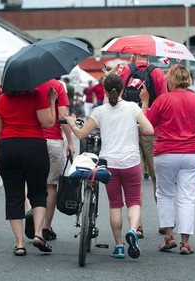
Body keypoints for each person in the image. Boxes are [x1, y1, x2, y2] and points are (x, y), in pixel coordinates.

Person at [64, 73, 154, 259]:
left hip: (109, 164)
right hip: (131, 162)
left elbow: (81, 135)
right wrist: (138, 117)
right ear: (122, 90)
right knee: (134, 202)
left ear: (104, 91)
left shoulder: (100, 111)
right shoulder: (131, 107)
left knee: (115, 204)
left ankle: (119, 246)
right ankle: (132, 230)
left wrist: (72, 123)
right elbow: (149, 130)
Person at [140, 64, 195, 255]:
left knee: (165, 194)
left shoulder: (162, 101)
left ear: (172, 80)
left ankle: (168, 236)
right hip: (192, 154)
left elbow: (147, 127)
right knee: (187, 198)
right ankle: (185, 243)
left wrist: (144, 102)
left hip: (165, 154)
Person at [0, 81, 58, 256]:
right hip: (34, 147)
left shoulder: (2, 99)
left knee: (14, 196)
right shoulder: (36, 96)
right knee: (38, 192)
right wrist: (52, 100)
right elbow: (49, 123)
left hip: (8, 147)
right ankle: (37, 233)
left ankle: (20, 244)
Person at [117, 53, 168, 237]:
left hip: (127, 130)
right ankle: (165, 222)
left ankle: (137, 226)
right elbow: (163, 102)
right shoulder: (158, 73)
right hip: (152, 130)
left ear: (133, 54)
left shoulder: (123, 71)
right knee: (158, 179)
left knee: (135, 180)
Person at [26, 79, 75, 241]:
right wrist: (70, 141)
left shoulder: (30, 84)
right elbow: (63, 116)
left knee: (32, 183)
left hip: (32, 140)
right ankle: (45, 227)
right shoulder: (58, 86)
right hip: (53, 141)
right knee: (51, 185)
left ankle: (32, 217)